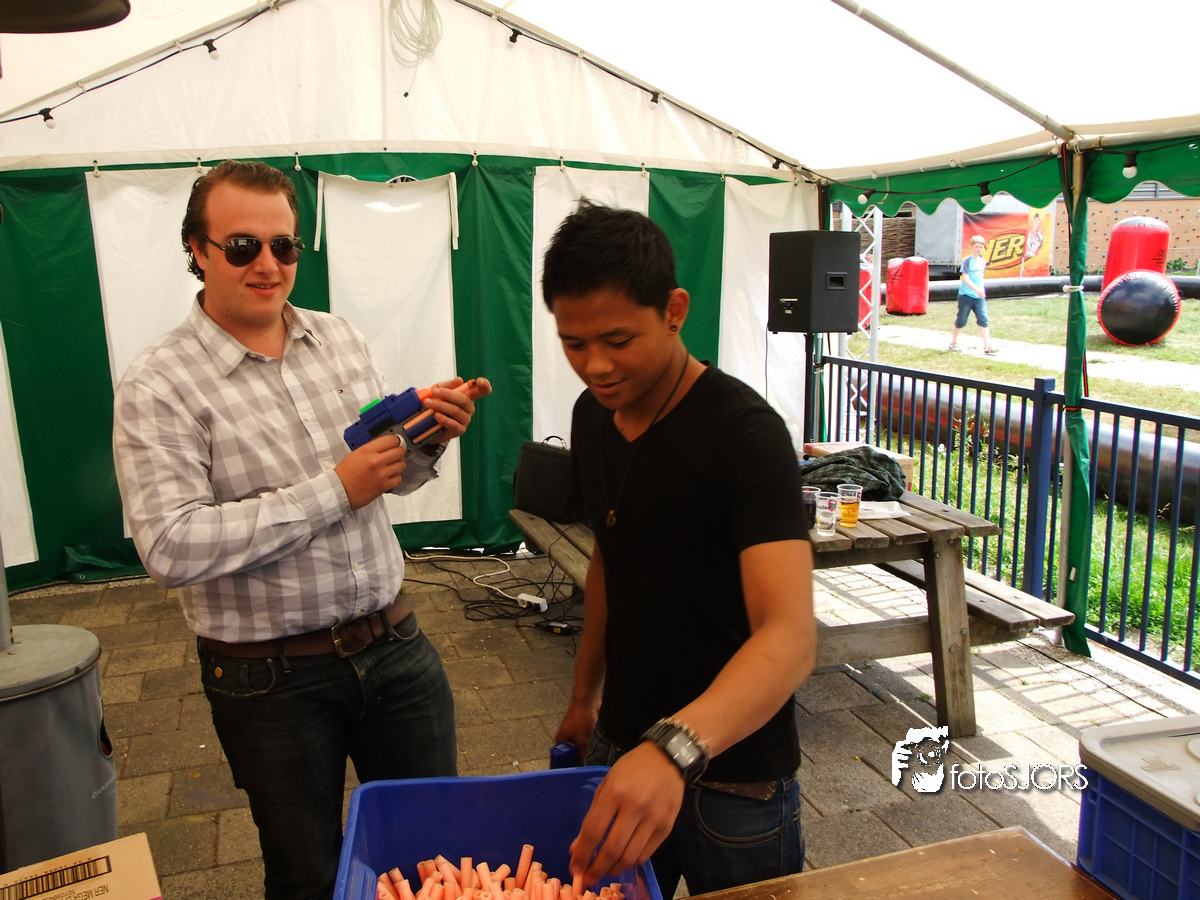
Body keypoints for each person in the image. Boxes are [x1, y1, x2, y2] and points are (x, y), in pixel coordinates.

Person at [112, 159, 490, 900]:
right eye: (242, 246)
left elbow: (385, 478)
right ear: (197, 250)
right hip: (269, 679)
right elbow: (169, 546)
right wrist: (334, 490)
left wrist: (427, 441)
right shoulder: (159, 383)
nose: (268, 264)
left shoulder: (339, 338)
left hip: (395, 646)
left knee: (435, 857)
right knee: (309, 876)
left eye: (283, 246)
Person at [543, 202, 816, 897]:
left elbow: (790, 637)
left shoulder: (745, 435)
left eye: (617, 339)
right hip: (624, 744)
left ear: (674, 310)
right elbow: (610, 560)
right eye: (573, 343)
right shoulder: (592, 416)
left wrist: (675, 748)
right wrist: (585, 697)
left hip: (735, 779)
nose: (595, 366)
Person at [950, 234, 997, 354]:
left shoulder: (982, 261)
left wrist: (981, 290)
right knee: (961, 320)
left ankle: (987, 346)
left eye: (981, 247)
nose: (978, 249)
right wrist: (976, 289)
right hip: (966, 295)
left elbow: (980, 278)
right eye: (976, 246)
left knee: (983, 319)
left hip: (979, 297)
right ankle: (953, 343)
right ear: (972, 247)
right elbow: (965, 278)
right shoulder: (967, 261)